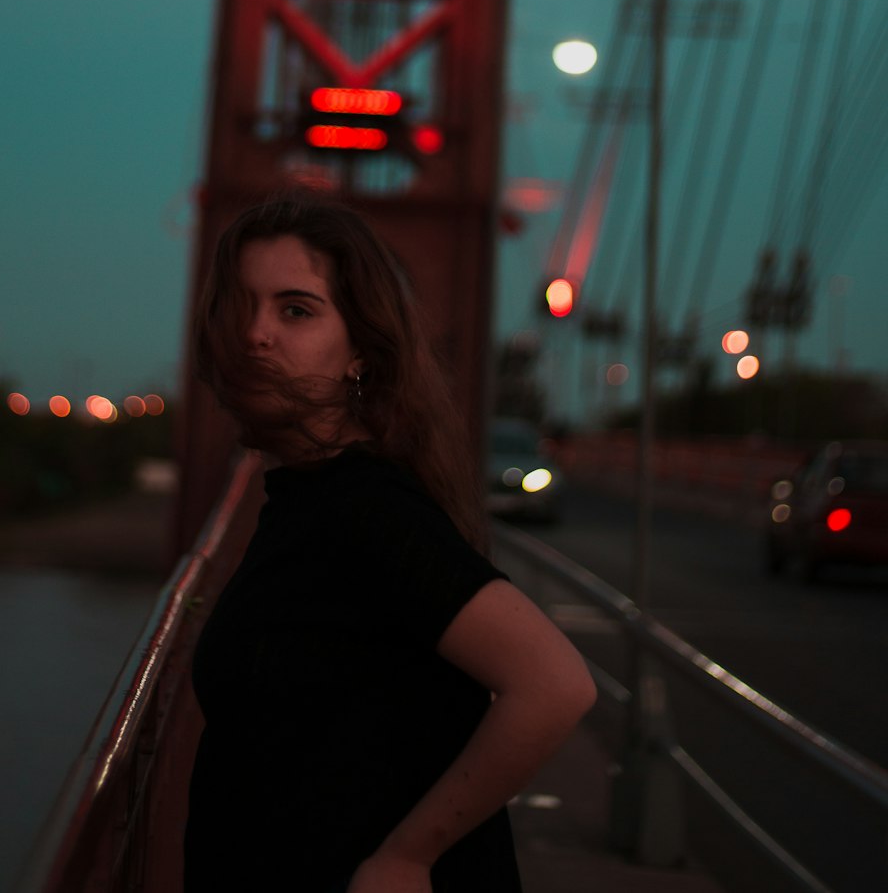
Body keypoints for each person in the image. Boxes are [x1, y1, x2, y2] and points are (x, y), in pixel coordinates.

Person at [185, 190, 596, 893]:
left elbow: (555, 684)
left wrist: (409, 856)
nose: (255, 333)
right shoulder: (307, 500)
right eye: (240, 304)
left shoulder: (365, 510)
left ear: (360, 355)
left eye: (296, 310)